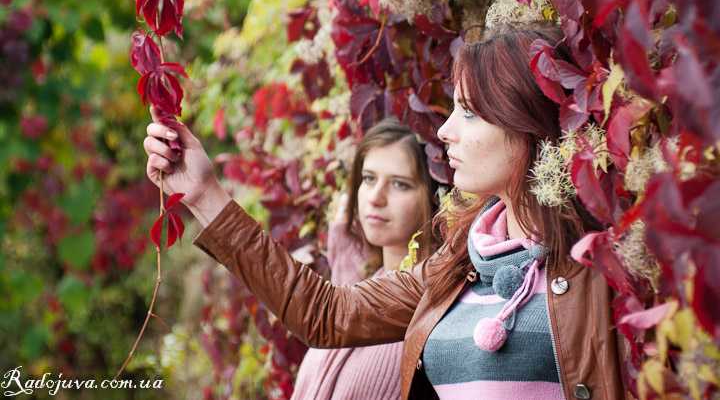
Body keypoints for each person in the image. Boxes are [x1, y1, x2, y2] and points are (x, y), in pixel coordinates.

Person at [143, 23, 631, 400]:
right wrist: (205, 194)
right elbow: (326, 314)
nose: (444, 132)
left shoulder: (601, 265)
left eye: (469, 112)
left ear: (525, 122)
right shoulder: (458, 269)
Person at [292, 118, 438, 400]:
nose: (375, 198)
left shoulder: (433, 308)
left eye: (399, 184)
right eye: (369, 178)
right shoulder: (360, 285)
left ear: (433, 198)